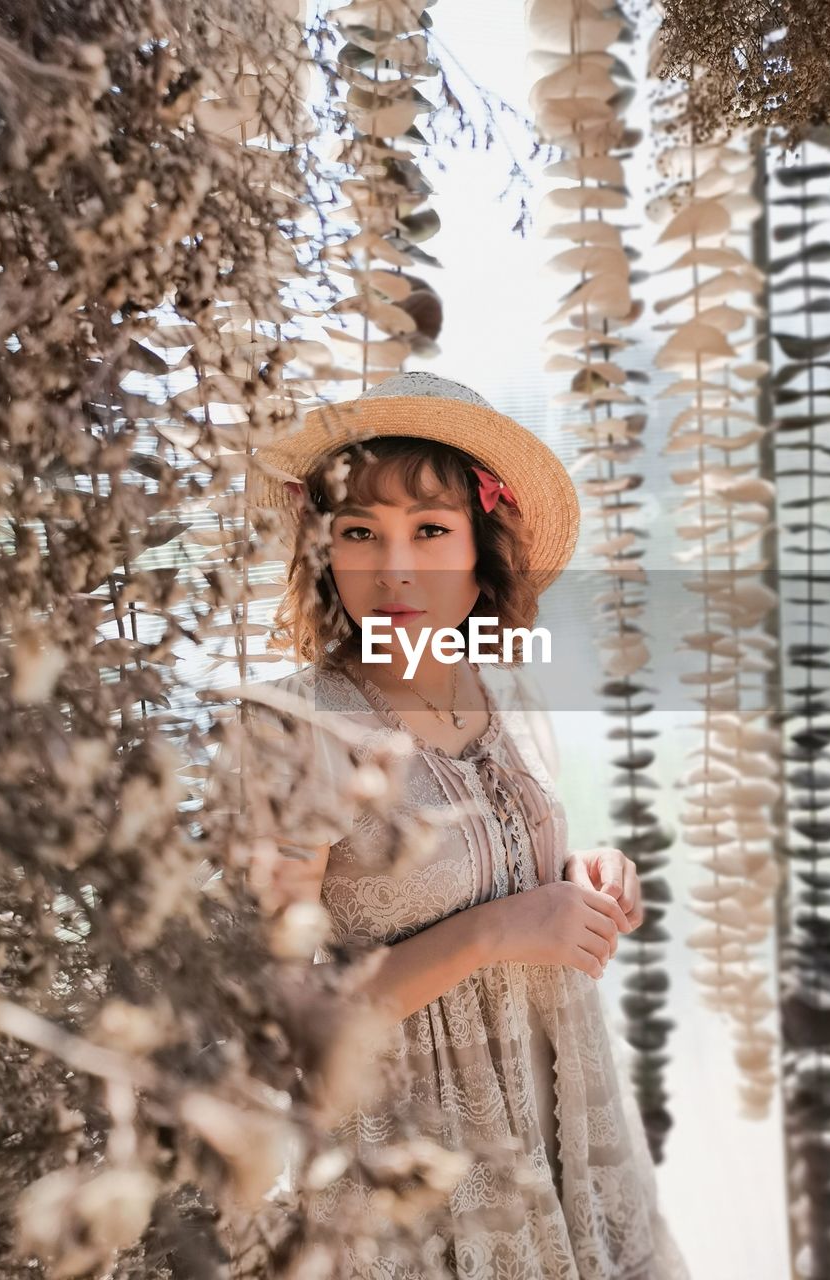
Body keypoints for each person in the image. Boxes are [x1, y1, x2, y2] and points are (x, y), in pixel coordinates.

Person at [243, 371, 691, 1279]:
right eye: (359, 532)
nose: (392, 568)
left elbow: (503, 871)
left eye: (430, 531)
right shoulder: (295, 730)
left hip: (556, 1137)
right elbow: (284, 1026)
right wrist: (496, 931)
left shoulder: (508, 695)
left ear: (484, 550)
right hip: (420, 1184)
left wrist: (583, 874)